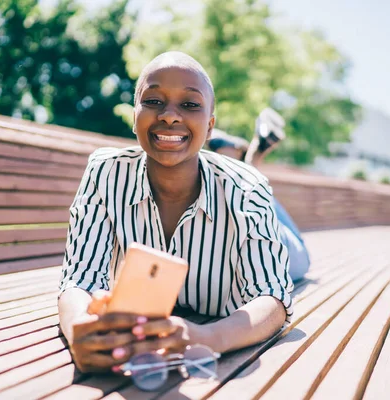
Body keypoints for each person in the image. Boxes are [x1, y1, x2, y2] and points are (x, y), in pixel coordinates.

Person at [58, 51, 294, 374]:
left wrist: (206, 337)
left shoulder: (249, 191)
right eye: (153, 101)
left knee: (296, 256)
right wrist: (77, 328)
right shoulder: (105, 173)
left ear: (209, 127)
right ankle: (244, 153)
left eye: (190, 105)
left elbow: (273, 297)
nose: (169, 116)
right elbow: (78, 279)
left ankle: (249, 157)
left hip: (272, 237)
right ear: (134, 116)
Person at [207, 110, 311, 282]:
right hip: (275, 257)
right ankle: (249, 169)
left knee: (249, 201)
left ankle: (247, 170)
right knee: (299, 250)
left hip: (250, 247)